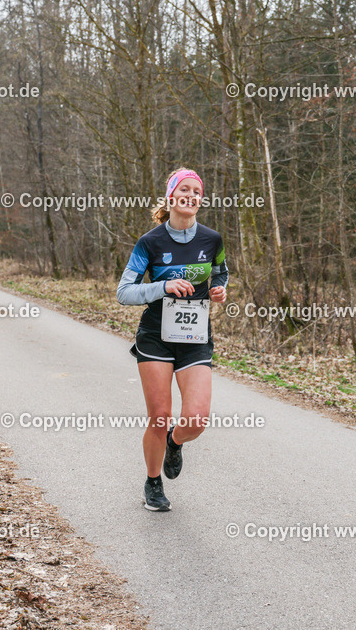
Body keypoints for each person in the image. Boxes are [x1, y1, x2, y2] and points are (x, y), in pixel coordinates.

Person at [116, 168, 228, 511]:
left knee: (196, 419)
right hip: (156, 336)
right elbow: (124, 292)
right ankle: (153, 482)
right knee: (160, 415)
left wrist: (220, 289)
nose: (191, 195)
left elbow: (220, 272)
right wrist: (162, 286)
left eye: (197, 191)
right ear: (170, 197)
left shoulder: (212, 240)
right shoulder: (150, 242)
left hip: (195, 336)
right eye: (184, 189)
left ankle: (174, 443)